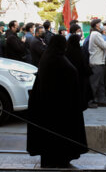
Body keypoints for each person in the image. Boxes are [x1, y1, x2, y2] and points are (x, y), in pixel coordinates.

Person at [27, 35, 88, 168]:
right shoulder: (57, 60)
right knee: (58, 141)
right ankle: (59, 161)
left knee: (50, 142)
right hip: (59, 110)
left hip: (49, 108)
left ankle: (53, 161)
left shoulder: (48, 57)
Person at [88, 19, 106, 107]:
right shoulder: (96, 34)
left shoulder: (96, 34)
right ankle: (90, 101)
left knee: (100, 84)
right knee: (94, 83)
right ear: (97, 25)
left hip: (99, 61)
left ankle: (101, 100)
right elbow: (105, 46)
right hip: (96, 62)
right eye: (100, 24)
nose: (102, 25)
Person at [66, 34, 93, 111]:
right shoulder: (79, 51)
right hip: (80, 78)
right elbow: (83, 64)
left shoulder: (67, 51)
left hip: (72, 79)